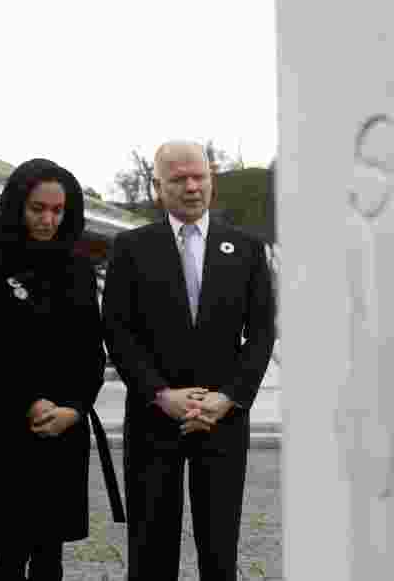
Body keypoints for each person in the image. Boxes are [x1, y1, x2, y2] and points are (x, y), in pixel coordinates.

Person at [102, 140, 275, 580]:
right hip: (153, 417)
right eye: (179, 179)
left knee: (220, 548)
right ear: (158, 186)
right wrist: (161, 394)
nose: (192, 186)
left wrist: (230, 397)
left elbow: (260, 333)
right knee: (150, 548)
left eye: (200, 176)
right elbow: (119, 332)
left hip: (223, 419)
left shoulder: (248, 249)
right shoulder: (130, 248)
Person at [0, 158, 111, 580]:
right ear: (18, 203)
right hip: (2, 419)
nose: (48, 219)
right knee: (8, 551)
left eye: (58, 211)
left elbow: (90, 348)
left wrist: (74, 407)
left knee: (50, 552)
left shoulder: (75, 261)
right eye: (38, 208)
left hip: (62, 422)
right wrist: (29, 401)